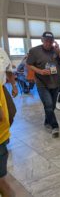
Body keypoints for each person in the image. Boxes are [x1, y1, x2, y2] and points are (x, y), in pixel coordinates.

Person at [27, 31, 60, 138]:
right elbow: (29, 64)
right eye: (46, 41)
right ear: (42, 40)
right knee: (49, 105)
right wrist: (40, 71)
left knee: (51, 106)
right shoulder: (34, 51)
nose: (48, 43)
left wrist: (59, 51)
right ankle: (55, 126)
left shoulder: (56, 50)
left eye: (50, 41)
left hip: (56, 82)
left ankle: (47, 122)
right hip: (42, 83)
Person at [0, 48, 17, 197]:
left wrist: (14, 85)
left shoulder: (1, 51)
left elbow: (9, 71)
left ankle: (4, 137)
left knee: (11, 112)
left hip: (1, 88)